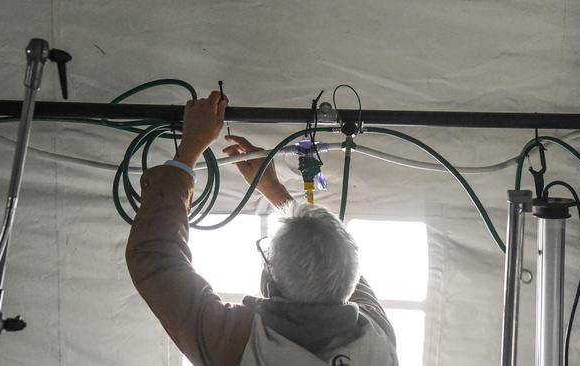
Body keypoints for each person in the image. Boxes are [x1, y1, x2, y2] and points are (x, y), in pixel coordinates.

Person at [126, 91, 398, 366]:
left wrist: (191, 146)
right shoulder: (377, 341)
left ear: (268, 283)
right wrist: (274, 191)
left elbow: (154, 255)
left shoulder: (239, 344)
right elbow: (332, 263)